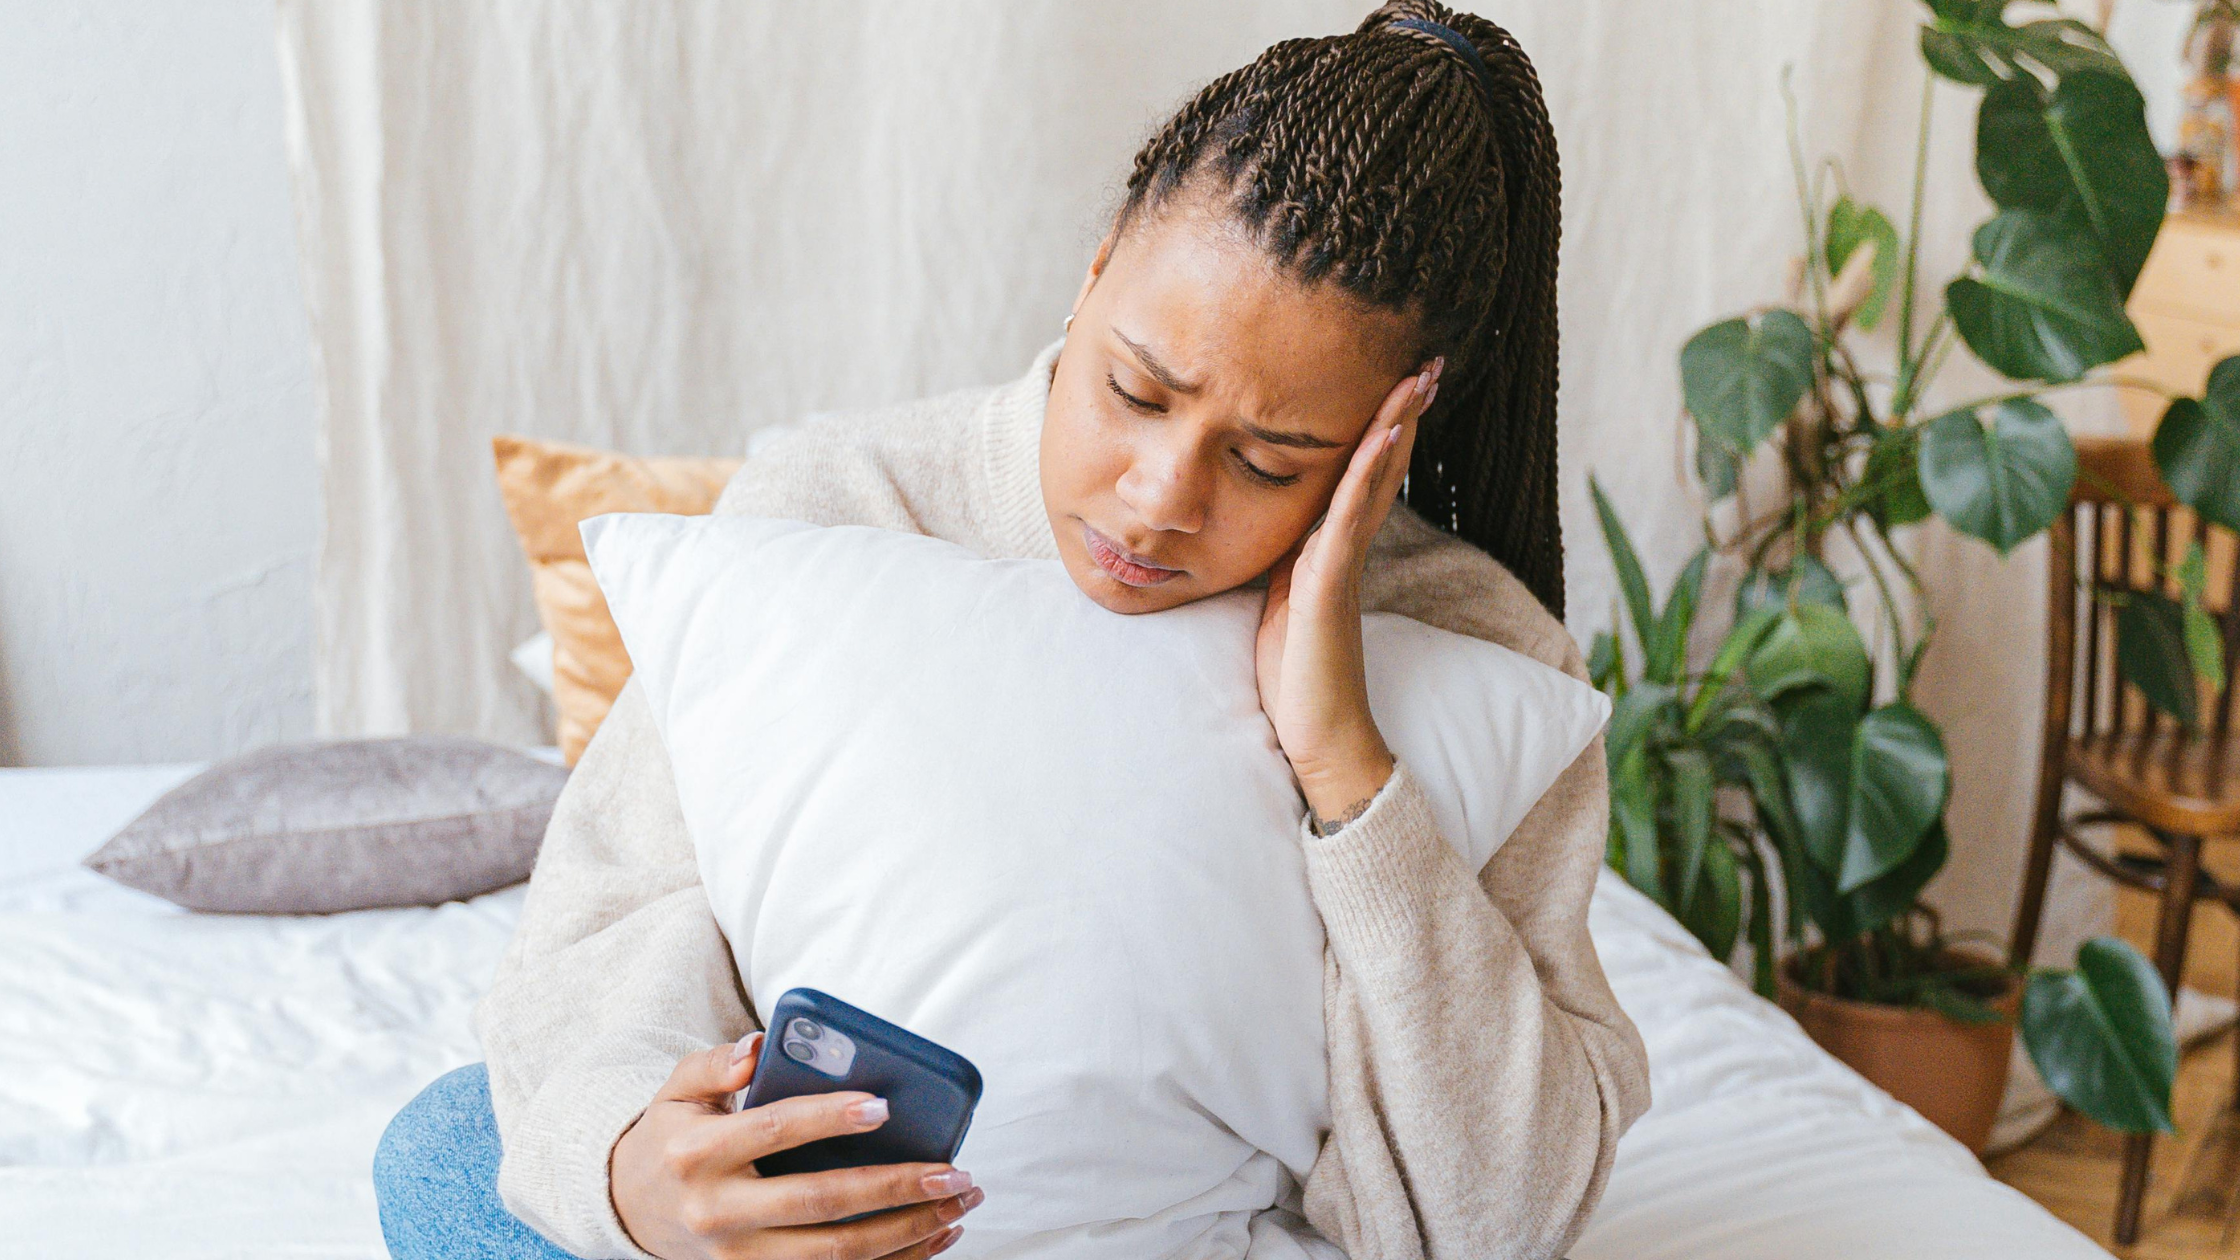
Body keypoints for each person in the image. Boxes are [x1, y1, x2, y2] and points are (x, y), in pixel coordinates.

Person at [374, 4, 1649, 1258]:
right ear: (1094, 270)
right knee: (446, 1144)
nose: (1156, 501)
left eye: (1268, 462)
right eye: (1132, 390)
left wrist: (1347, 771)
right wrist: (634, 1174)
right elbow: (619, 917)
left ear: (1391, 433)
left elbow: (1497, 1217)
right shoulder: (847, 503)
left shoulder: (1480, 654)